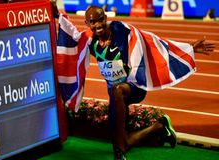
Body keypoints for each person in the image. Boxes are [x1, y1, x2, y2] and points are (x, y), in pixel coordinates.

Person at [51, 2, 215, 160]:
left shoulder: (120, 30)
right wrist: (58, 15)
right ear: (87, 23)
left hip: (134, 87)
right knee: (119, 135)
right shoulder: (90, 40)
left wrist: (189, 48)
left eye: (101, 19)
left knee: (117, 92)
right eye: (92, 22)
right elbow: (72, 37)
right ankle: (158, 127)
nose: (98, 25)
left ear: (106, 18)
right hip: (116, 94)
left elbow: (152, 41)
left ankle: (119, 154)